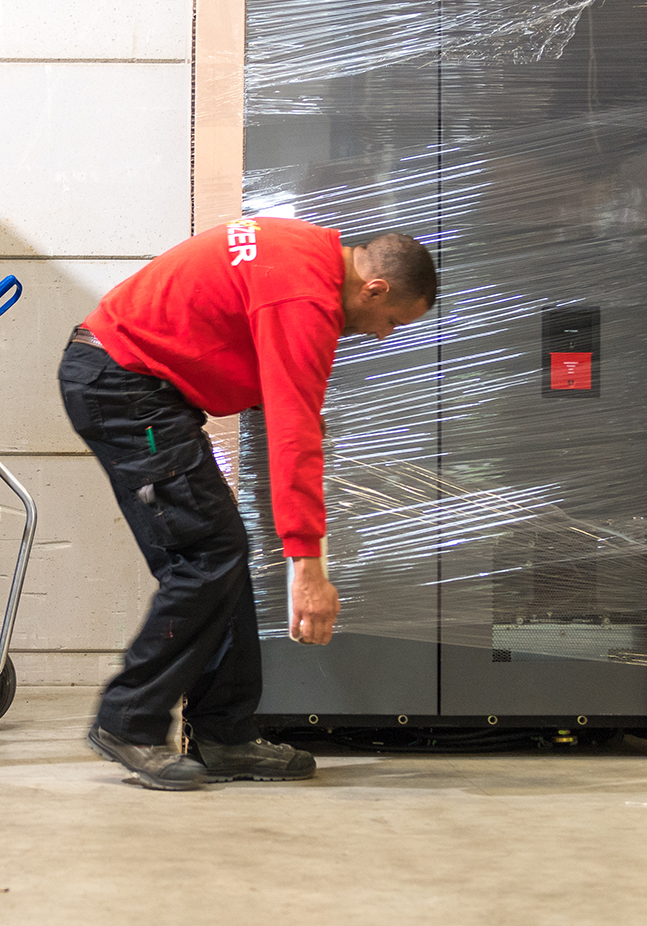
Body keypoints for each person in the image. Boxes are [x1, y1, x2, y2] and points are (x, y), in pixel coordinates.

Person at [60, 217, 436, 790]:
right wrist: (308, 568)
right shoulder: (306, 301)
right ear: (375, 289)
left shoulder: (307, 250)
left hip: (130, 382)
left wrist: (289, 404)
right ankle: (127, 720)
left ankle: (226, 736)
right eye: (392, 322)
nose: (383, 335)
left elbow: (243, 334)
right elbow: (293, 438)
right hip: (125, 388)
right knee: (206, 556)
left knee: (221, 554)